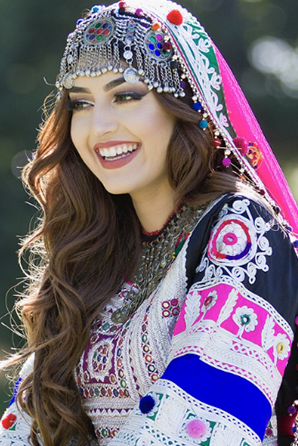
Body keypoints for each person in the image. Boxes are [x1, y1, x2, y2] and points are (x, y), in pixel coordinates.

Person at [1, 1, 298, 445]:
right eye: (81, 104)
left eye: (126, 96)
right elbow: (25, 426)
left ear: (187, 104)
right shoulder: (95, 251)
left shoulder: (242, 231)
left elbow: (199, 429)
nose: (98, 126)